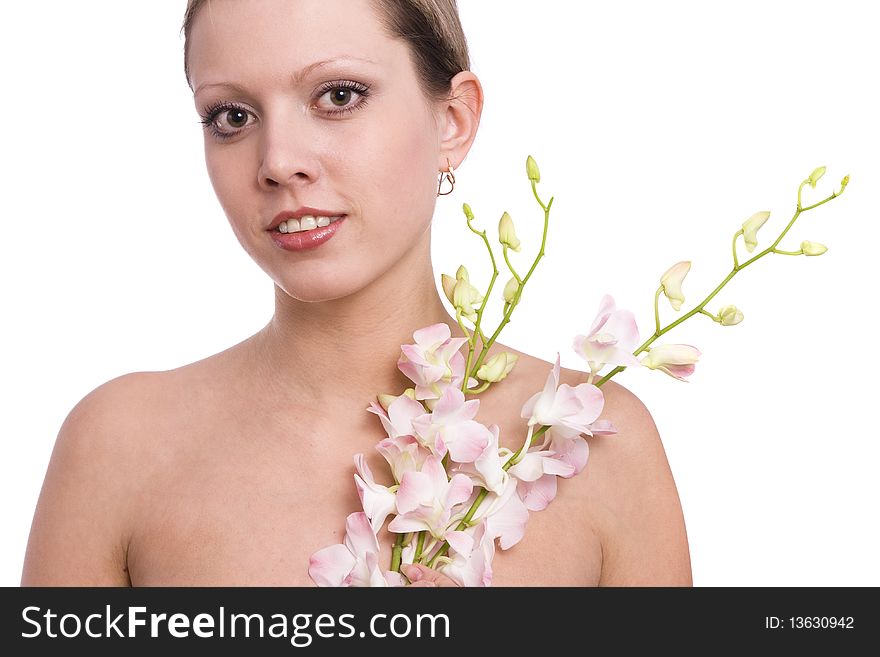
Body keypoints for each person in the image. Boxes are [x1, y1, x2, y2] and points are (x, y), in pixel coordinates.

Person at [21, 0, 691, 587]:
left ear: (454, 121)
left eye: (338, 95)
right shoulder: (118, 448)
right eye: (232, 115)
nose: (279, 160)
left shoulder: (596, 447)